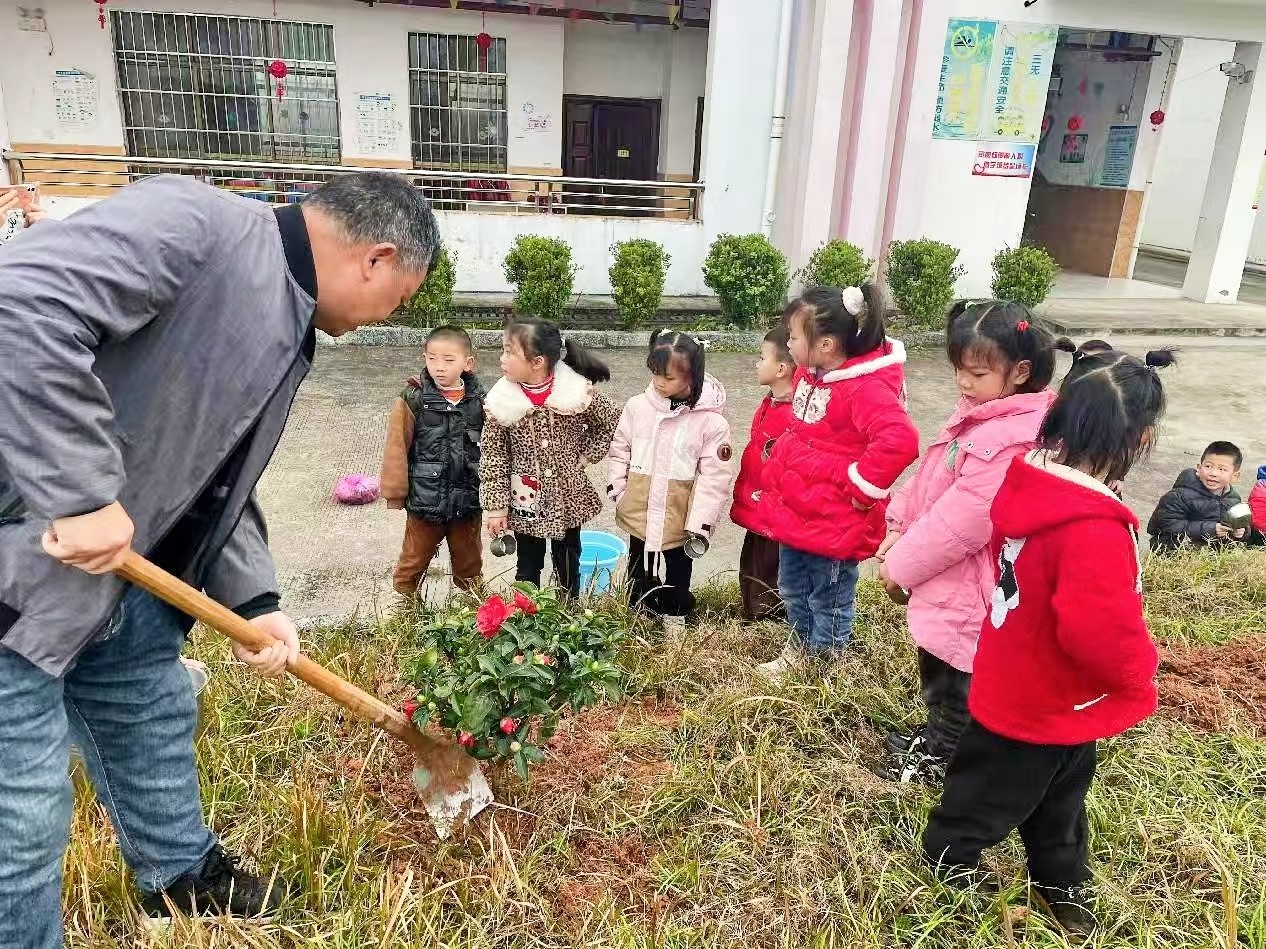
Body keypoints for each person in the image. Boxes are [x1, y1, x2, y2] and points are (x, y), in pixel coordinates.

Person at [0, 171, 439, 945]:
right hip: (26, 566)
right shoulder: (193, 223)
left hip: (125, 583)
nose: (383, 321)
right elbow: (20, 304)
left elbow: (213, 472)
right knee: (22, 814)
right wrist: (79, 488)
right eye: (400, 300)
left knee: (150, 713)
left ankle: (180, 873)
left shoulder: (284, 309)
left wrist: (256, 602)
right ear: (376, 258)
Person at [923, 348, 1176, 938]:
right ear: (1140, 440)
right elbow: (1097, 630)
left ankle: (1060, 877)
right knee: (990, 794)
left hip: (1029, 683)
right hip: (1043, 698)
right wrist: (1139, 668)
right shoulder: (1092, 528)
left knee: (1061, 793)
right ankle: (949, 858)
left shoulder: (1031, 481)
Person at [874, 301, 1058, 785]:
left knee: (957, 676)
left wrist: (901, 566)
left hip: (972, 581)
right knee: (936, 662)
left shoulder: (1014, 439)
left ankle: (945, 758)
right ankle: (937, 735)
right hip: (946, 575)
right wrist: (897, 523)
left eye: (977, 373)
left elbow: (964, 520)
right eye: (959, 369)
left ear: (1020, 372)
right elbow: (931, 477)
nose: (963, 382)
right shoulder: (979, 413)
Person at [757, 284, 920, 676]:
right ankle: (798, 649)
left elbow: (900, 440)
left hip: (836, 515)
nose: (789, 343)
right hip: (801, 508)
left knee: (828, 593)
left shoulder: (863, 388)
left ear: (826, 344)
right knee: (793, 585)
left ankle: (826, 665)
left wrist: (861, 489)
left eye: (794, 337)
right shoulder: (814, 375)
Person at [481, 317, 620, 596]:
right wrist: (496, 508)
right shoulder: (501, 402)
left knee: (568, 559)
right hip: (524, 496)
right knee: (528, 564)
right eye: (503, 350)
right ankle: (528, 618)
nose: (502, 359)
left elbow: (611, 420)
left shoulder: (576, 391)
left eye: (510, 352)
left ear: (537, 362)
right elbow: (493, 455)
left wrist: (585, 456)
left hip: (567, 494)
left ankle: (568, 615)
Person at [607, 330, 733, 619]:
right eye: (656, 375)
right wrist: (619, 487)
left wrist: (700, 523)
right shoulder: (638, 407)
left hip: (681, 518)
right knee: (638, 566)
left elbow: (715, 478)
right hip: (639, 509)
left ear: (692, 376)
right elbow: (620, 448)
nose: (660, 383)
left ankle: (675, 619)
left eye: (669, 377)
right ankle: (638, 616)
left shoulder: (711, 422)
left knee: (678, 569)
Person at [381, 325, 486, 596]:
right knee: (412, 562)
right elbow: (396, 446)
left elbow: (496, 447)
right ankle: (404, 611)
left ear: (468, 363)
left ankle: (473, 611)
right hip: (424, 500)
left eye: (449, 360)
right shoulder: (413, 398)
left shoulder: (482, 401)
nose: (439, 367)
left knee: (469, 564)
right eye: (432, 358)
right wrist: (395, 493)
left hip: (468, 500)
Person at [730, 324, 796, 621]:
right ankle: (752, 616)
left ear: (781, 368)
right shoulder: (769, 402)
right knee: (752, 564)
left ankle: (765, 625)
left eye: (761, 357)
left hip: (775, 512)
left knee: (769, 572)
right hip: (759, 506)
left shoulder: (795, 414)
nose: (756, 363)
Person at [1147, 440, 1248, 551]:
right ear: (1199, 468)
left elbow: (1240, 525)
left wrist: (1241, 532)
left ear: (1234, 476)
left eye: (1222, 469)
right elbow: (1167, 525)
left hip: (1210, 555)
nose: (1213, 473)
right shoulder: (1179, 496)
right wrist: (1210, 529)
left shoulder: (1234, 499)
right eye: (1208, 466)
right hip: (1178, 552)